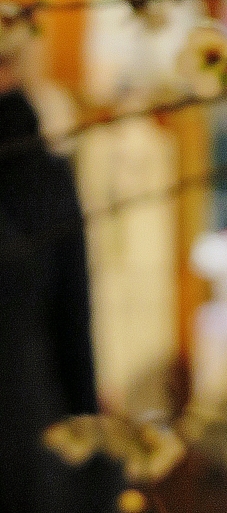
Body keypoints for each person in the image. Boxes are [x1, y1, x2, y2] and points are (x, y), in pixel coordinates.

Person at [0, 46, 119, 511]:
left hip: (24, 420)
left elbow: (71, 318)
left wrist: (85, 426)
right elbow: (72, 319)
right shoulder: (46, 175)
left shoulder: (43, 176)